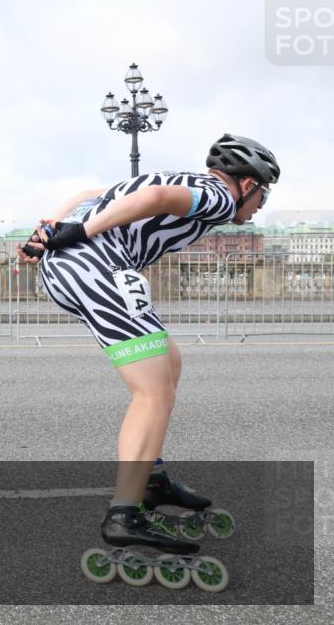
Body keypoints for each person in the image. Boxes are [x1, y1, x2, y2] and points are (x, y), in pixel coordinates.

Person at [20, 133, 278, 554]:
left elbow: (90, 194)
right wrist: (78, 232)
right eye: (263, 195)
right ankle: (125, 514)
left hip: (79, 266)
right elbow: (156, 197)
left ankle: (152, 481)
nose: (260, 207)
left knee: (169, 361)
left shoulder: (187, 179)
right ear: (247, 184)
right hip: (97, 267)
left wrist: (46, 234)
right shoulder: (220, 196)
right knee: (152, 391)